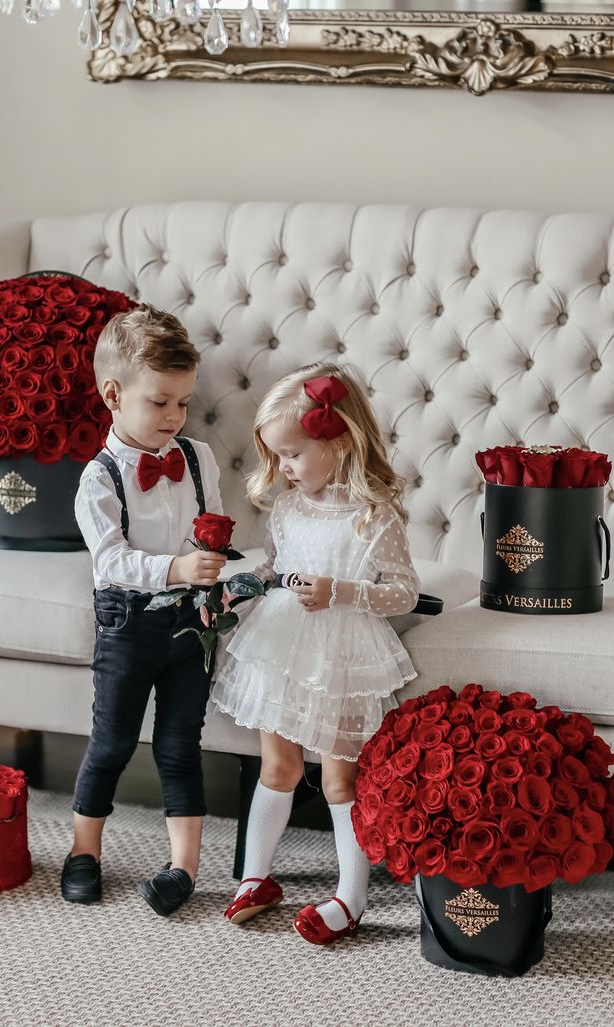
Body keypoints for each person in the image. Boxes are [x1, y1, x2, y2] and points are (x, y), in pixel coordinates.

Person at [212, 362, 419, 944]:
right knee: (277, 768)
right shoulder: (288, 508)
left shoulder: (374, 516)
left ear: (340, 441)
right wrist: (243, 584)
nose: (282, 468)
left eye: (293, 454)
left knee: (338, 783)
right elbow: (279, 570)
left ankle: (350, 896)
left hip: (343, 652)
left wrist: (340, 592)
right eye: (275, 456)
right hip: (282, 646)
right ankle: (257, 876)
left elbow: (402, 591)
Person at [60, 305, 226, 915]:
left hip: (190, 623)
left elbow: (208, 541)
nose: (175, 417)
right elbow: (111, 562)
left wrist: (211, 586)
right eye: (161, 403)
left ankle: (182, 868)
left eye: (183, 403)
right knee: (112, 741)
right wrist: (175, 570)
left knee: (181, 744)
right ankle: (84, 852)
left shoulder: (199, 459)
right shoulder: (98, 479)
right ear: (113, 394)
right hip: (128, 621)